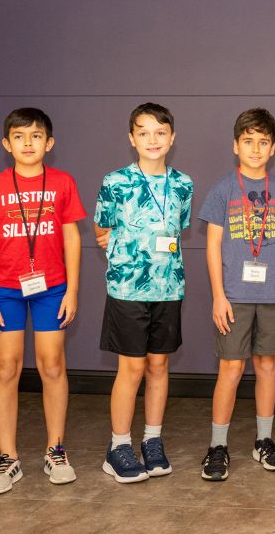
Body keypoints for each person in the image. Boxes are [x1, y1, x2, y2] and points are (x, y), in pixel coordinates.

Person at [0, 107, 86, 494]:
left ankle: (55, 449)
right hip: (5, 290)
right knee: (5, 367)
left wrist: (72, 289)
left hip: (51, 288)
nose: (28, 143)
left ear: (49, 143)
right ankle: (8, 458)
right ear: (7, 144)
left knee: (52, 365)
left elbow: (72, 237)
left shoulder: (64, 183)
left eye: (36, 136)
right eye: (19, 136)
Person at [197, 109, 275, 480]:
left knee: (267, 366)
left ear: (272, 148)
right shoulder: (223, 189)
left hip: (273, 295)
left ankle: (263, 440)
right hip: (234, 296)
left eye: (263, 142)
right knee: (231, 368)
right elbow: (212, 247)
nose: (255, 149)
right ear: (235, 145)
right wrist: (218, 296)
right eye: (248, 141)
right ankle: (217, 445)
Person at [94, 103, 194, 483]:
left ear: (172, 138)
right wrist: (117, 247)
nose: (153, 139)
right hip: (126, 288)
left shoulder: (183, 183)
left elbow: (178, 227)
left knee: (158, 366)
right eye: (144, 132)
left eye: (160, 132)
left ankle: (152, 440)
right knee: (131, 368)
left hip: (169, 288)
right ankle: (118, 446)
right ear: (131, 138)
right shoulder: (115, 181)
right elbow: (102, 228)